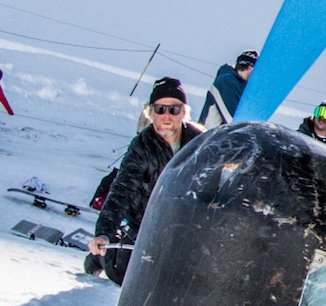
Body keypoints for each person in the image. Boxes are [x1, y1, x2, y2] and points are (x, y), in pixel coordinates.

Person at [89, 78, 203, 285]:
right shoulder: (142, 146)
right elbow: (121, 191)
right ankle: (100, 256)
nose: (167, 115)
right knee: (126, 277)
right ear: (151, 113)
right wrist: (103, 232)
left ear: (184, 112)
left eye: (174, 109)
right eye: (160, 109)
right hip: (143, 223)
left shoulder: (200, 141)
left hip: (183, 226)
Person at [198, 50, 256, 125]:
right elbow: (233, 121)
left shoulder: (237, 85)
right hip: (211, 134)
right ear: (250, 67)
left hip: (218, 134)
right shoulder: (226, 82)